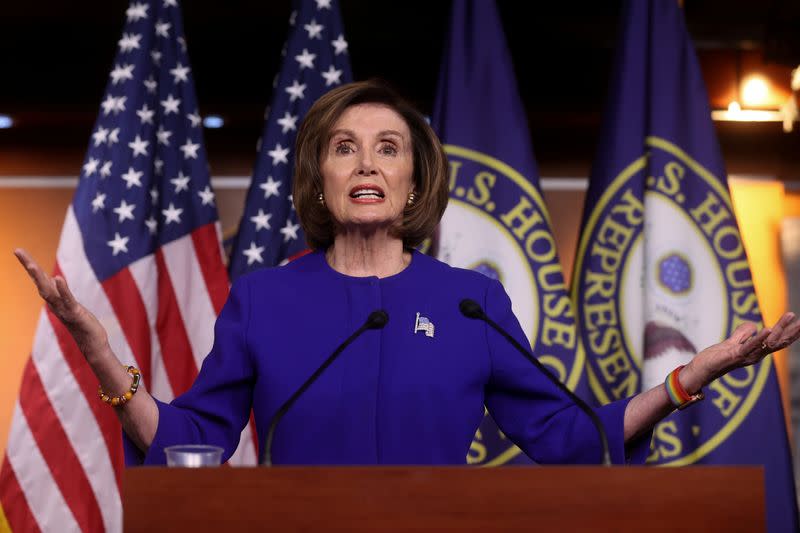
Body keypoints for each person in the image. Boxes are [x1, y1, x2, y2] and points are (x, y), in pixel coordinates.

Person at [15, 80, 800, 465]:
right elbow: (191, 440)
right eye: (344, 146)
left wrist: (686, 379)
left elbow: (566, 435)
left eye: (388, 147)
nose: (366, 162)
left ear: (416, 182)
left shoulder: (471, 302)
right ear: (319, 178)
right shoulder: (261, 299)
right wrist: (97, 351)